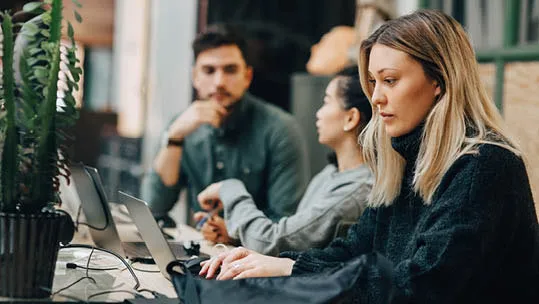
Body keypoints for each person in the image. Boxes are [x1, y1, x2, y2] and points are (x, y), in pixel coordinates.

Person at [198, 10, 539, 303]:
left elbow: (420, 288)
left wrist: (286, 270)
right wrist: (270, 263)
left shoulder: (485, 166)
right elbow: (353, 253)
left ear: (440, 81)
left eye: (389, 80)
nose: (375, 98)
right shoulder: (407, 161)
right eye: (373, 82)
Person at [140, 24, 310, 226]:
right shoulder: (183, 126)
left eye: (230, 70)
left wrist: (232, 232)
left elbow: (286, 221)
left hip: (257, 254)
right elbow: (153, 207)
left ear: (247, 77)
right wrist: (174, 137)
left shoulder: (280, 130)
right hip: (202, 251)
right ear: (195, 77)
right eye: (209, 70)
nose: (219, 82)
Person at [194, 67, 374, 255]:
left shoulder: (354, 192)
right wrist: (235, 235)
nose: (318, 113)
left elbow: (271, 243)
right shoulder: (330, 174)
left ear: (351, 117)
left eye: (326, 102)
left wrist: (229, 189)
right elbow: (292, 239)